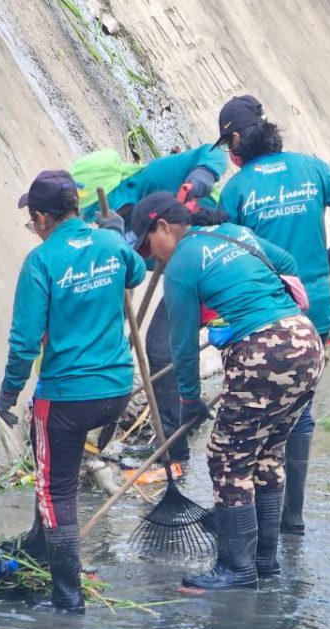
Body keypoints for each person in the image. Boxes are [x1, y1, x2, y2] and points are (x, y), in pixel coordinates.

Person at [131, 191, 324, 589]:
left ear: (163, 227)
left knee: (227, 458)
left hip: (263, 352)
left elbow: (181, 345)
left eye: (149, 246)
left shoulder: (181, 264)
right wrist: (251, 308)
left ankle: (236, 569)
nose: (152, 258)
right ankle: (265, 561)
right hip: (305, 340)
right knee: (266, 453)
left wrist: (189, 399)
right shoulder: (234, 233)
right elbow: (286, 264)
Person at [216, 94, 330, 535]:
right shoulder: (312, 168)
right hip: (315, 316)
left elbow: (228, 256)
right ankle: (293, 517)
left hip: (263, 319)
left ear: (236, 142)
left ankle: (256, 520)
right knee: (300, 408)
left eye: (227, 145)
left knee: (256, 417)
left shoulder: (236, 190)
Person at [0, 170, 146, 613]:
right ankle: (40, 544)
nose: (34, 228)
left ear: (43, 219)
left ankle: (67, 598)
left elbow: (24, 342)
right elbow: (136, 273)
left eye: (33, 221)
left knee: (54, 488)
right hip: (116, 390)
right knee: (55, 470)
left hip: (66, 395)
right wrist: (119, 233)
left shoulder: (41, 261)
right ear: (77, 208)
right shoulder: (110, 244)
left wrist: (8, 393)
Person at [76, 143, 229, 463]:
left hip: (211, 261)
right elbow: (124, 278)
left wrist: (200, 178)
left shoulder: (153, 178)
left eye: (94, 212)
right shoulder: (113, 228)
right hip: (183, 274)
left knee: (162, 347)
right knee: (162, 347)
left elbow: (213, 152)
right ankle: (176, 438)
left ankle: (174, 442)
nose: (94, 220)